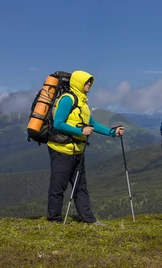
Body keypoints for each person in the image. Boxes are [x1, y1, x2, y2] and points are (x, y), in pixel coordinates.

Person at [47, 70, 125, 225]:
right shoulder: (67, 99)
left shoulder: (83, 102)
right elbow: (58, 123)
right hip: (61, 150)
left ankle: (89, 219)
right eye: (86, 82)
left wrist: (112, 132)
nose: (89, 84)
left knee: (80, 186)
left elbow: (93, 125)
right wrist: (80, 131)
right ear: (78, 82)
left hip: (77, 150)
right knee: (58, 185)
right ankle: (54, 220)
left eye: (90, 82)